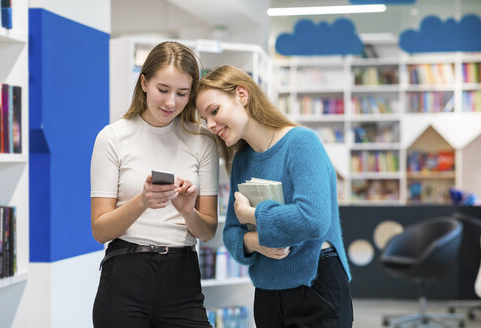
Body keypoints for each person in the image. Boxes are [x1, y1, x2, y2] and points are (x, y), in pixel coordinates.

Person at [195, 65, 353, 328]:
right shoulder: (242, 161)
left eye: (214, 111)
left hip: (316, 285)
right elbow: (231, 233)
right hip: (267, 294)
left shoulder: (301, 142)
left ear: (241, 95)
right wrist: (256, 243)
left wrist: (253, 214)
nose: (211, 125)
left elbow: (313, 218)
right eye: (204, 119)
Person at [90, 41, 219, 328]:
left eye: (182, 93)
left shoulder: (203, 141)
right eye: (163, 90)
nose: (171, 102)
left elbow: (207, 230)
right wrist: (142, 201)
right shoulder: (112, 138)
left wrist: (188, 211)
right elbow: (100, 230)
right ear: (144, 82)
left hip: (182, 277)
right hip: (125, 275)